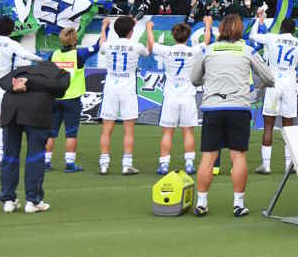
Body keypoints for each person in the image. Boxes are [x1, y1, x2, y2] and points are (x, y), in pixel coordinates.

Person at [190, 14, 274, 217]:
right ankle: (238, 203)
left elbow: (194, 80)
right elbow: (270, 77)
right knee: (238, 156)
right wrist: (258, 85)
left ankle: (201, 202)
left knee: (208, 157)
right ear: (239, 30)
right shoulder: (247, 50)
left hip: (213, 107)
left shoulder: (207, 50)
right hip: (239, 108)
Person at [0, 60, 70, 213]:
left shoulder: (22, 70)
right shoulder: (61, 74)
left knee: (10, 156)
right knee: (35, 157)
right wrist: (29, 83)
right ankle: (33, 201)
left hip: (10, 110)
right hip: (36, 112)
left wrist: (21, 83)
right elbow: (59, 87)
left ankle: (8, 200)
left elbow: (2, 81)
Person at [249, 10, 298, 174]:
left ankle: (266, 165)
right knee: (288, 127)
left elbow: (252, 35)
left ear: (281, 28)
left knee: (268, 125)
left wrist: (259, 19)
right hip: (290, 83)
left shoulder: (272, 37)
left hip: (273, 82)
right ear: (293, 30)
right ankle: (289, 166)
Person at [148, 18, 211, 176]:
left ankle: (164, 164)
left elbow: (151, 46)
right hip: (188, 96)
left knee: (167, 133)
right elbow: (207, 41)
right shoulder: (193, 51)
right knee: (188, 132)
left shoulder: (167, 50)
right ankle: (189, 164)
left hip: (170, 96)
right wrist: (208, 25)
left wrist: (149, 28)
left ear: (174, 35)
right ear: (188, 36)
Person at [98, 16, 151, 176]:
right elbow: (149, 50)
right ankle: (126, 164)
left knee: (107, 129)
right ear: (131, 31)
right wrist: (149, 30)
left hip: (111, 88)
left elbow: (101, 45)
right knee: (129, 130)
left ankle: (104, 164)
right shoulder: (136, 46)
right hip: (127, 89)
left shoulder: (108, 45)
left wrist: (103, 27)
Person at [45, 27, 100, 173]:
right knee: (71, 132)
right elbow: (97, 46)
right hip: (72, 99)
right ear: (75, 40)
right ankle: (69, 163)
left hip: (55, 98)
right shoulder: (78, 54)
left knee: (51, 132)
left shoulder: (53, 55)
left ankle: (46, 161)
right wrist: (105, 29)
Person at [0, 18, 42, 168]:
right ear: (12, 30)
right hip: (2, 83)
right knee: (4, 120)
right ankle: (1, 155)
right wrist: (43, 61)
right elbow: (27, 56)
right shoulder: (12, 44)